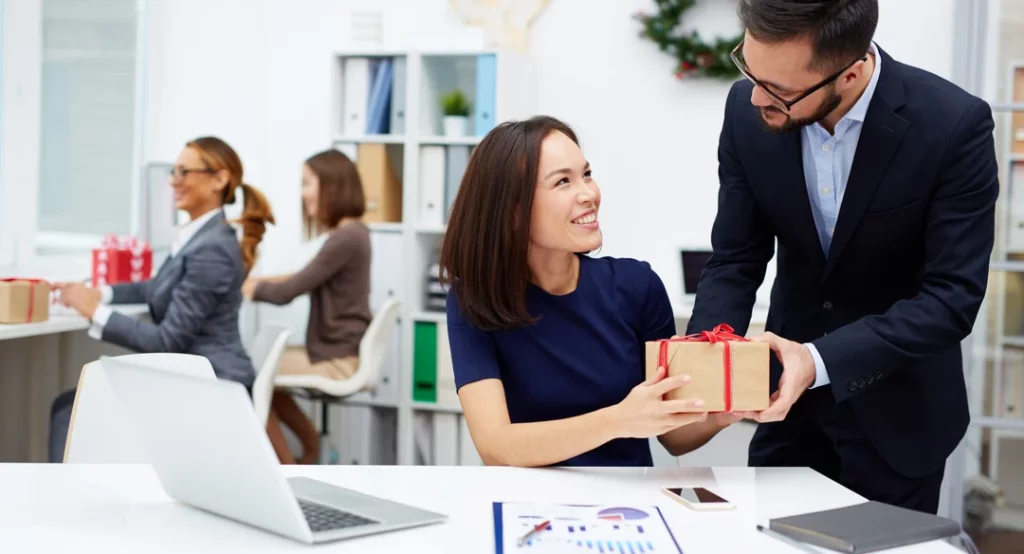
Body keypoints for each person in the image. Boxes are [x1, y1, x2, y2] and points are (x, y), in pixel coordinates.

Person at [686, 0, 998, 513]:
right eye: (750, 69)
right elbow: (735, 259)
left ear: (850, 72)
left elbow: (950, 299)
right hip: (783, 416)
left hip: (900, 420)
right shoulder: (746, 112)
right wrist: (704, 354)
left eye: (781, 91)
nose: (757, 97)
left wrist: (816, 360)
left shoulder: (952, 125)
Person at [440, 115, 744, 468]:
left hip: (627, 505)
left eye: (586, 174)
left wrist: (721, 415)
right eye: (563, 182)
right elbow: (496, 446)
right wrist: (618, 420)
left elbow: (672, 435)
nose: (589, 194)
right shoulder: (474, 302)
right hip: (528, 505)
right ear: (513, 210)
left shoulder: (636, 286)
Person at [50, 136, 276, 462]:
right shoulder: (199, 237)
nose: (174, 182)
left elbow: (168, 341)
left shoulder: (211, 248)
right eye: (173, 172)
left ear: (219, 179)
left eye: (184, 172)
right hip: (198, 380)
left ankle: (66, 509)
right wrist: (103, 293)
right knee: (69, 405)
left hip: (215, 387)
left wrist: (93, 311)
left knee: (70, 410)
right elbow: (155, 287)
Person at [242, 149, 372, 465]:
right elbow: (304, 276)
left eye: (308, 183)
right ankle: (310, 449)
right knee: (263, 370)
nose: (302, 194)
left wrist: (251, 288)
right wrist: (255, 281)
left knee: (248, 376)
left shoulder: (344, 239)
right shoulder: (354, 233)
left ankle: (288, 471)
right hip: (337, 349)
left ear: (332, 185)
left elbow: (290, 290)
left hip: (336, 359)